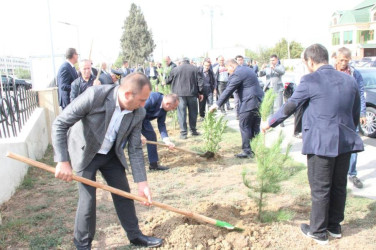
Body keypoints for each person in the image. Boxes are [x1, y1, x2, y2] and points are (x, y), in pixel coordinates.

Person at [261, 44, 364, 245]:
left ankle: (317, 231)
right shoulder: (349, 80)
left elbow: (290, 106)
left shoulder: (310, 80)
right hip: (344, 141)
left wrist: (270, 123)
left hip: (321, 143)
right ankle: (334, 227)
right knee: (339, 186)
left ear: (310, 61)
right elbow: (354, 111)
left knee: (320, 188)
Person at [52, 73, 164, 249]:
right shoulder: (95, 95)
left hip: (111, 153)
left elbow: (134, 148)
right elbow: (60, 123)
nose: (144, 105)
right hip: (85, 152)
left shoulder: (138, 112)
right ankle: (83, 245)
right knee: (88, 200)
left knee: (124, 194)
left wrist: (142, 183)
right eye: (142, 100)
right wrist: (62, 161)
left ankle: (135, 236)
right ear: (127, 94)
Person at [210, 59, 264, 158]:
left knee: (244, 125)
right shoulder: (247, 69)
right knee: (254, 126)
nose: (227, 71)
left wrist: (217, 104)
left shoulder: (238, 73)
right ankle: (257, 148)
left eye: (227, 69)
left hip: (249, 102)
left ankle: (247, 151)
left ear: (231, 66)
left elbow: (228, 90)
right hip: (258, 101)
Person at [334, 47, 367, 189]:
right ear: (336, 58)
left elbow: (361, 93)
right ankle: (336, 171)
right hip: (335, 115)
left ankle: (352, 173)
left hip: (351, 114)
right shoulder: (331, 73)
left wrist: (362, 113)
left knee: (353, 144)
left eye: (346, 61)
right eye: (341, 60)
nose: (343, 63)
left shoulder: (354, 74)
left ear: (349, 60)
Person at [166, 57, 203, 139]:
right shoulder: (195, 69)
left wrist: (164, 81)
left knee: (181, 113)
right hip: (192, 94)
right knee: (193, 113)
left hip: (179, 95)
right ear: (189, 62)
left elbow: (168, 81)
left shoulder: (175, 69)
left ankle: (183, 133)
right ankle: (193, 131)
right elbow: (200, 81)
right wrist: (201, 92)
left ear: (181, 62)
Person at [141, 92, 179, 170]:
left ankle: (153, 165)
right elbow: (138, 112)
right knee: (123, 139)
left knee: (151, 137)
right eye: (173, 107)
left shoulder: (164, 109)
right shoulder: (152, 98)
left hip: (144, 119)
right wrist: (138, 134)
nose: (173, 110)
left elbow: (161, 124)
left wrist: (167, 141)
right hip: (132, 117)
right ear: (168, 104)